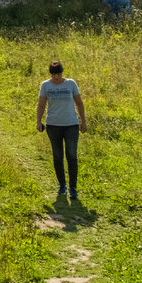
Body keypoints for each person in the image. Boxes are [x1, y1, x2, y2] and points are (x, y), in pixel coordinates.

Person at [36, 60, 87, 200]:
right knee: (58, 156)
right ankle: (62, 185)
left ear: (62, 73)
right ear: (50, 74)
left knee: (71, 155)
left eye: (58, 74)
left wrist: (83, 122)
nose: (56, 77)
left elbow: (79, 103)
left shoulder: (71, 83)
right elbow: (41, 104)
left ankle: (73, 188)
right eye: (53, 74)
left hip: (71, 124)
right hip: (53, 125)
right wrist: (38, 121)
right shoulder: (45, 85)